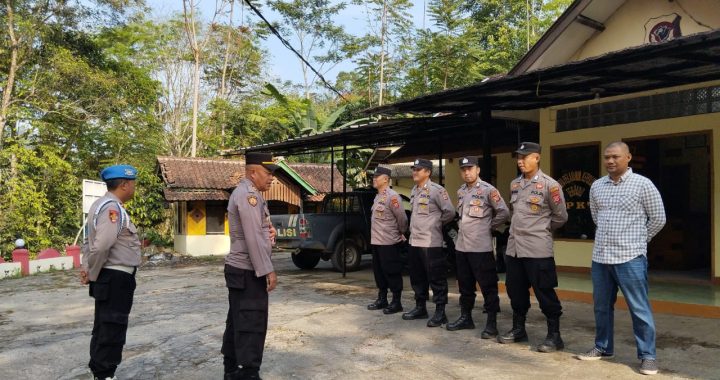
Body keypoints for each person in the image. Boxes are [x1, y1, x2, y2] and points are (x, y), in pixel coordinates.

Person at [577, 142, 666, 376]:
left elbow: (658, 218)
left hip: (630, 258)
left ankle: (648, 356)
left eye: (615, 156)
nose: (610, 161)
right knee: (601, 307)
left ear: (628, 157)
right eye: (607, 157)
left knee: (639, 308)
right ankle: (603, 347)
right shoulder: (597, 186)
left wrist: (638, 240)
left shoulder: (643, 185)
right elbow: (596, 216)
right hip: (601, 258)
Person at [499, 142, 568, 353]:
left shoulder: (550, 185)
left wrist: (541, 230)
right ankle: (519, 329)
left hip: (538, 249)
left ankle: (554, 336)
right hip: (514, 249)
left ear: (537, 158)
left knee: (544, 292)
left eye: (525, 157)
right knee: (515, 291)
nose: (520, 161)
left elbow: (561, 217)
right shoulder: (515, 184)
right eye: (518, 157)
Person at [80, 164, 141, 380]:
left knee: (106, 326)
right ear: (124, 184)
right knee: (112, 327)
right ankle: (105, 374)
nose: (134, 188)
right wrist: (92, 273)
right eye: (133, 183)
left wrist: (88, 268)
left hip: (111, 277)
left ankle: (101, 373)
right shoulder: (111, 209)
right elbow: (102, 245)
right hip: (115, 277)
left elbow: (89, 243)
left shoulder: (101, 205)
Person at [222, 152, 279, 380]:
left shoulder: (251, 194)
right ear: (253, 172)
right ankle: (248, 373)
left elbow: (260, 232)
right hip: (247, 270)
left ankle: (232, 371)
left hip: (243, 269)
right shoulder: (248, 196)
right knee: (251, 323)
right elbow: (253, 237)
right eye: (267, 173)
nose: (271, 178)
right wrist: (267, 269)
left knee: (238, 320)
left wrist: (271, 234)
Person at [447, 156, 509, 339]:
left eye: (470, 168)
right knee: (465, 286)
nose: (467, 172)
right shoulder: (460, 192)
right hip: (462, 246)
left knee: (488, 286)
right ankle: (466, 317)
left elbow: (503, 212)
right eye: (463, 169)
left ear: (478, 170)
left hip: (480, 247)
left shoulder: (488, 190)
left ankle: (491, 324)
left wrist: (488, 226)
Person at [402, 158, 455, 327]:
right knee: (417, 277)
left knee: (436, 277)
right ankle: (420, 307)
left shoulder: (436, 190)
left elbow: (449, 212)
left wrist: (435, 224)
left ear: (427, 172)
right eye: (413, 169)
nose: (414, 172)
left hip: (431, 242)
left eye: (418, 169)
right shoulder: (414, 190)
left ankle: (440, 312)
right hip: (415, 240)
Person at [367, 166, 409, 314]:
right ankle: (382, 298)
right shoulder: (377, 196)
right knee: (379, 272)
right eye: (373, 176)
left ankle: (396, 302)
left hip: (389, 242)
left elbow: (402, 219)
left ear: (385, 179)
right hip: (376, 242)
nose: (374, 179)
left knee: (392, 272)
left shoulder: (393, 197)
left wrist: (400, 233)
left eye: (376, 177)